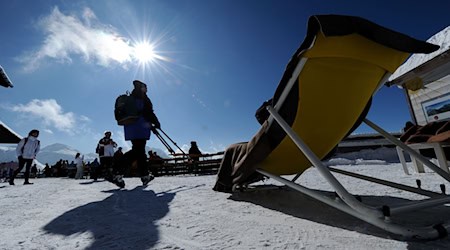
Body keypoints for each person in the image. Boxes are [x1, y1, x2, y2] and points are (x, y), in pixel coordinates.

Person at [123, 80, 160, 185]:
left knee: (139, 151)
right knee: (138, 151)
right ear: (141, 88)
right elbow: (148, 112)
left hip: (131, 127)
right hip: (140, 127)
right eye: (145, 87)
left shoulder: (132, 97)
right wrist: (156, 123)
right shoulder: (143, 98)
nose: (147, 89)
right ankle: (116, 168)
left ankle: (144, 175)